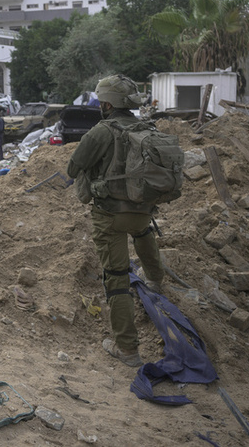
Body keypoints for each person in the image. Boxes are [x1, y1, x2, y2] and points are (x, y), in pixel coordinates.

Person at [66, 75, 165, 367]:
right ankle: (156, 280)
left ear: (107, 103)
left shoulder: (100, 132)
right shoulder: (147, 126)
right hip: (143, 209)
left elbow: (74, 167)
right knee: (143, 232)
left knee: (117, 279)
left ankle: (127, 350)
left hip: (110, 215)